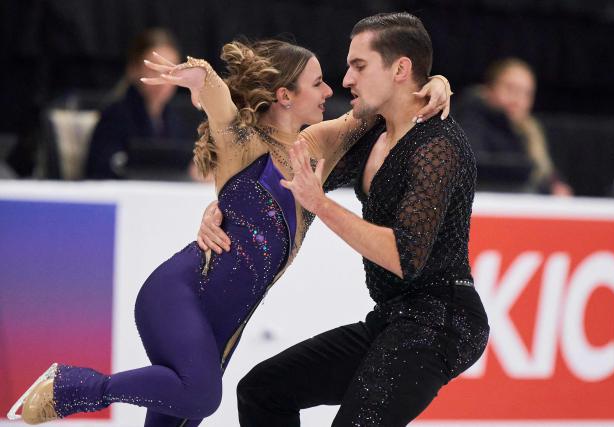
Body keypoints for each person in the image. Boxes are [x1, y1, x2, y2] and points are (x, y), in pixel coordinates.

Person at [8, 36, 451, 426]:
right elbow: (216, 95)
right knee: (203, 394)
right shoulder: (243, 144)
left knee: (185, 413)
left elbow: (384, 107)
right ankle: (73, 387)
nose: (330, 90)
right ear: (284, 95)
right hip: (179, 295)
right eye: (317, 83)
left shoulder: (319, 148)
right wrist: (199, 75)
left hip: (224, 328)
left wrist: (436, 84)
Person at [198, 12, 488, 426]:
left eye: (359, 66)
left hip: (442, 321)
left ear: (400, 69)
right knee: (263, 391)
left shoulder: (437, 147)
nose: (347, 79)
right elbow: (279, 182)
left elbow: (405, 257)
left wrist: (321, 205)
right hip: (392, 318)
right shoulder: (373, 135)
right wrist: (221, 209)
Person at [85, 28, 193, 180]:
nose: (163, 80)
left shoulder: (177, 121)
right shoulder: (114, 117)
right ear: (134, 69)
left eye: (171, 71)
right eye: (153, 70)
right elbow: (102, 170)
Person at [455, 57, 573, 195]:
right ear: (489, 89)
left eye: (526, 93)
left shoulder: (530, 132)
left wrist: (555, 186)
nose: (517, 99)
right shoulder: (469, 120)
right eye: (510, 88)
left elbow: (547, 175)